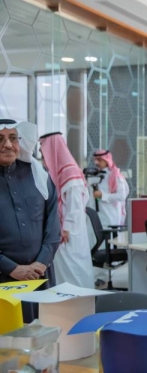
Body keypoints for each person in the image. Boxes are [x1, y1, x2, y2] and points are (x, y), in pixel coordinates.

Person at [0, 119, 60, 322]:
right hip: (3, 279)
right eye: (0, 139)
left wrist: (41, 263)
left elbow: (53, 224)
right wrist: (12, 269)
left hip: (39, 275)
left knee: (42, 338)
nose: (7, 145)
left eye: (13, 138)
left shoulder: (38, 175)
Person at [39, 132, 94, 288]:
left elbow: (75, 206)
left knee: (74, 269)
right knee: (65, 271)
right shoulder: (60, 173)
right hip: (63, 230)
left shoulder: (70, 173)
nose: (44, 158)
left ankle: (79, 305)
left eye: (44, 154)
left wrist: (67, 228)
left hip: (70, 232)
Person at [90, 149, 129, 227]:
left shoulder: (115, 176)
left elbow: (122, 196)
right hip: (98, 215)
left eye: (99, 160)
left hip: (111, 215)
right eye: (95, 160)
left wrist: (103, 195)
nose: (96, 163)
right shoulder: (96, 175)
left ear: (106, 160)